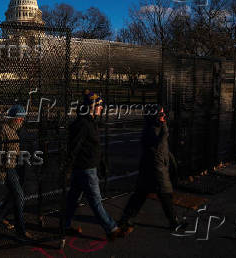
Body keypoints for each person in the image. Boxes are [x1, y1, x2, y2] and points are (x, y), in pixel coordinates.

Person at [118, 107, 186, 234]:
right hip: (155, 169)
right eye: (161, 114)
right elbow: (159, 146)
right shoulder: (151, 130)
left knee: (141, 194)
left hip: (154, 167)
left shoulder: (155, 127)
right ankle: (174, 221)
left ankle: (126, 218)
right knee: (164, 194)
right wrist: (165, 128)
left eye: (163, 113)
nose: (164, 115)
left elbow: (164, 149)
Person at [65, 91, 122, 240]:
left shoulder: (90, 122)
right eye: (100, 105)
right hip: (86, 169)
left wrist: (101, 163)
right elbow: (74, 147)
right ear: (92, 106)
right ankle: (112, 228)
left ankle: (64, 225)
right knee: (95, 201)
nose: (102, 108)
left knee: (72, 199)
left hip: (85, 167)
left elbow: (94, 147)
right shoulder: (84, 124)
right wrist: (68, 167)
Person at [0, 104, 33, 241]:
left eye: (22, 119)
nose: (21, 121)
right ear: (12, 118)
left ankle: (0, 217)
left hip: (17, 166)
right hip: (8, 168)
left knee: (15, 194)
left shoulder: (18, 129)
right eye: (19, 119)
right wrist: (1, 173)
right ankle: (20, 229)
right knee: (19, 196)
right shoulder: (4, 130)